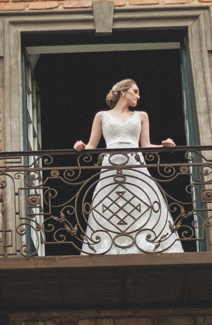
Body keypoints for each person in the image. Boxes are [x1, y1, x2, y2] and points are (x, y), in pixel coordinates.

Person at [73, 79, 184, 255]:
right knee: (109, 203)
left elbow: (146, 145)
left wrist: (163, 145)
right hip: (111, 166)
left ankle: (146, 244)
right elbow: (91, 147)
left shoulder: (142, 116)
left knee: (143, 201)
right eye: (135, 91)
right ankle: (110, 248)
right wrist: (80, 146)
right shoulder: (102, 116)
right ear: (123, 92)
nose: (138, 96)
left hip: (135, 165)